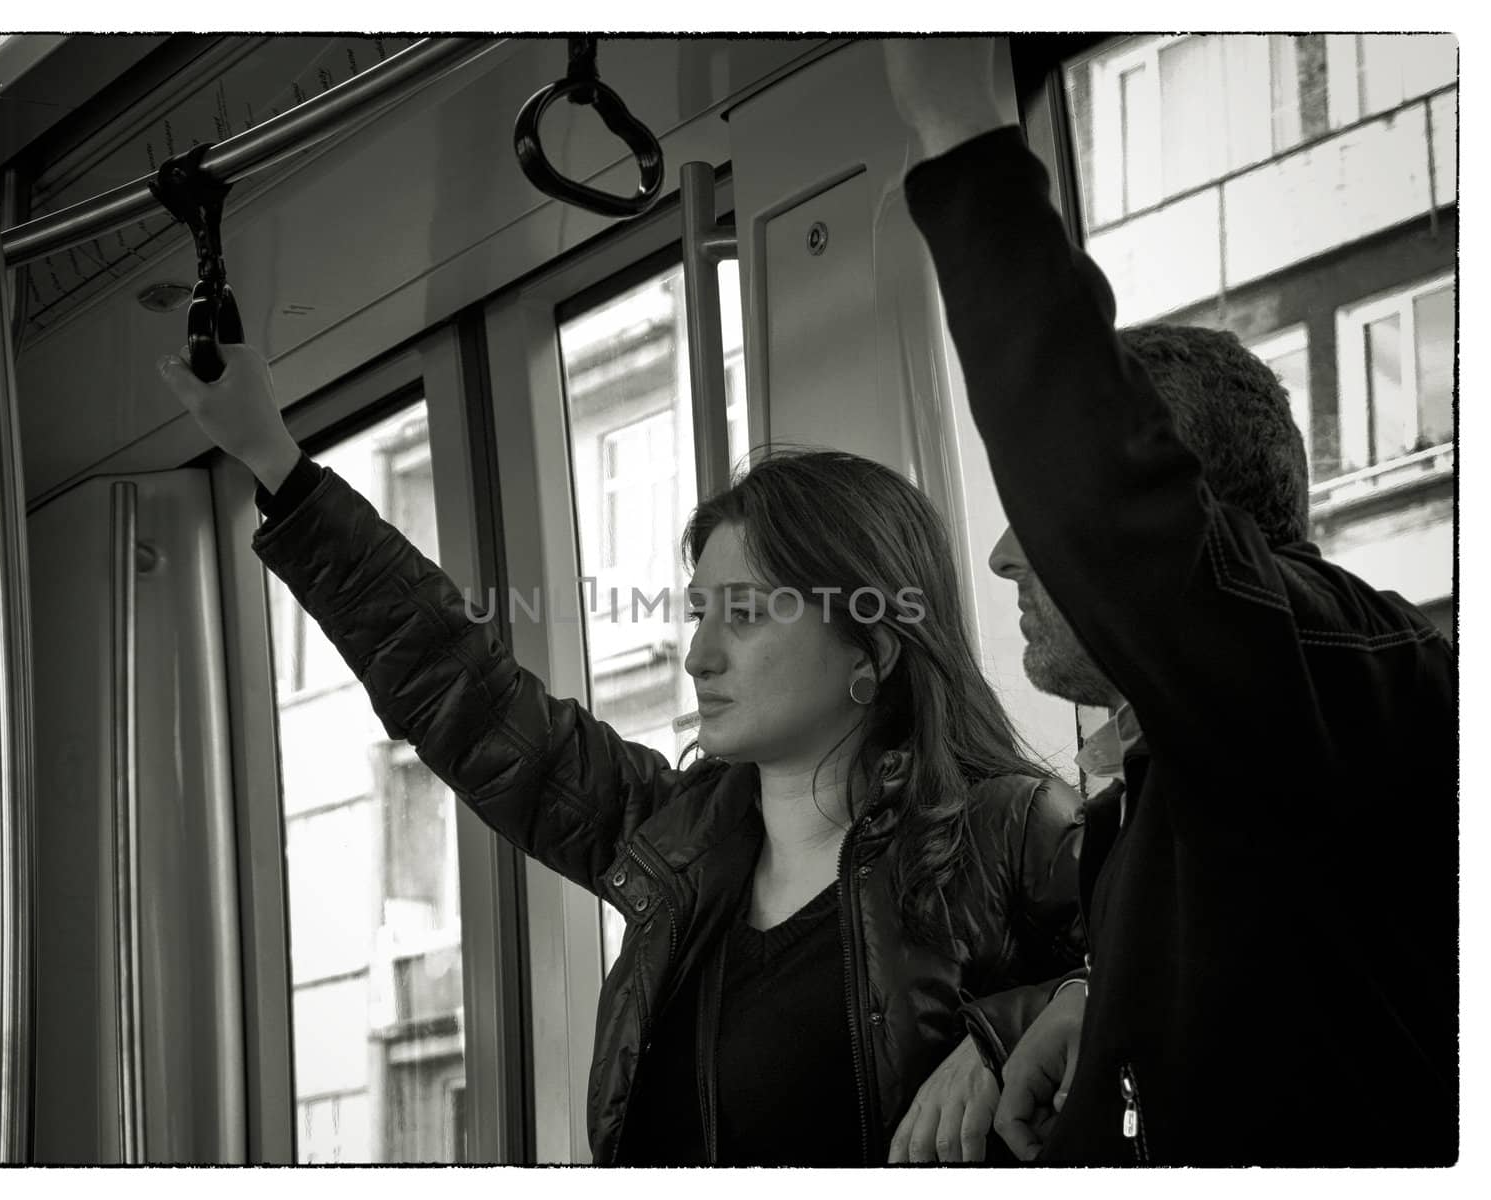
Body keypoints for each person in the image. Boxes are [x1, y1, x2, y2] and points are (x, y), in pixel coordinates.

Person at [158, 347, 1085, 1165]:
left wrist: (1013, 1032)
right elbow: (466, 696)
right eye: (698, 612)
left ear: (871, 652)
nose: (698, 654)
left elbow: (1182, 985)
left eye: (747, 614)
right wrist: (275, 462)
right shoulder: (675, 838)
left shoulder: (1011, 833)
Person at [885, 38, 1457, 1166]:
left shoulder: (1334, 672)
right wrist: (1088, 1011)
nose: (1006, 557)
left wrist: (957, 129)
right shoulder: (1189, 779)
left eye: (1044, 517)